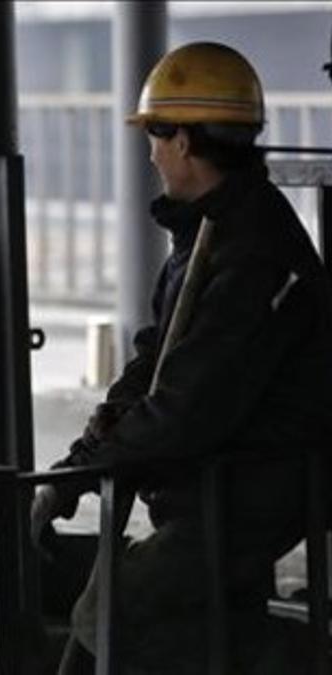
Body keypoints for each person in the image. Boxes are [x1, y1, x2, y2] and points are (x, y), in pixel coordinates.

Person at [30, 42, 332, 673]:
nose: (150, 151)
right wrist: (81, 462)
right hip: (223, 478)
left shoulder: (251, 249)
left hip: (254, 486)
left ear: (185, 143)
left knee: (110, 612)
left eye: (155, 137)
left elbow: (188, 406)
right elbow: (157, 358)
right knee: (145, 612)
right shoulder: (210, 230)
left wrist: (80, 474)